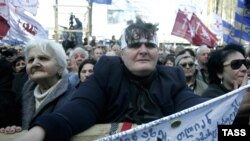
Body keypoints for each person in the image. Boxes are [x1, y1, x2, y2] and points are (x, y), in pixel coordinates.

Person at [14, 18, 249, 141]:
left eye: (150, 45)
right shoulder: (107, 73)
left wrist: (232, 106)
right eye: (136, 45)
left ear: (158, 52)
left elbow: (198, 111)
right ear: (122, 52)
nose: (144, 50)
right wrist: (39, 132)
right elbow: (80, 108)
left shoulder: (173, 78)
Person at [1, 38, 76, 134]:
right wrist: (14, 128)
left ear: (60, 66)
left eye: (43, 58)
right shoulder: (21, 93)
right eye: (31, 60)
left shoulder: (74, 96)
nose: (35, 64)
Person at [202, 43, 250, 124]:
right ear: (219, 72)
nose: (244, 69)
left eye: (245, 63)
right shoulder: (211, 97)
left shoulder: (247, 90)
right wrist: (235, 108)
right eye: (236, 64)